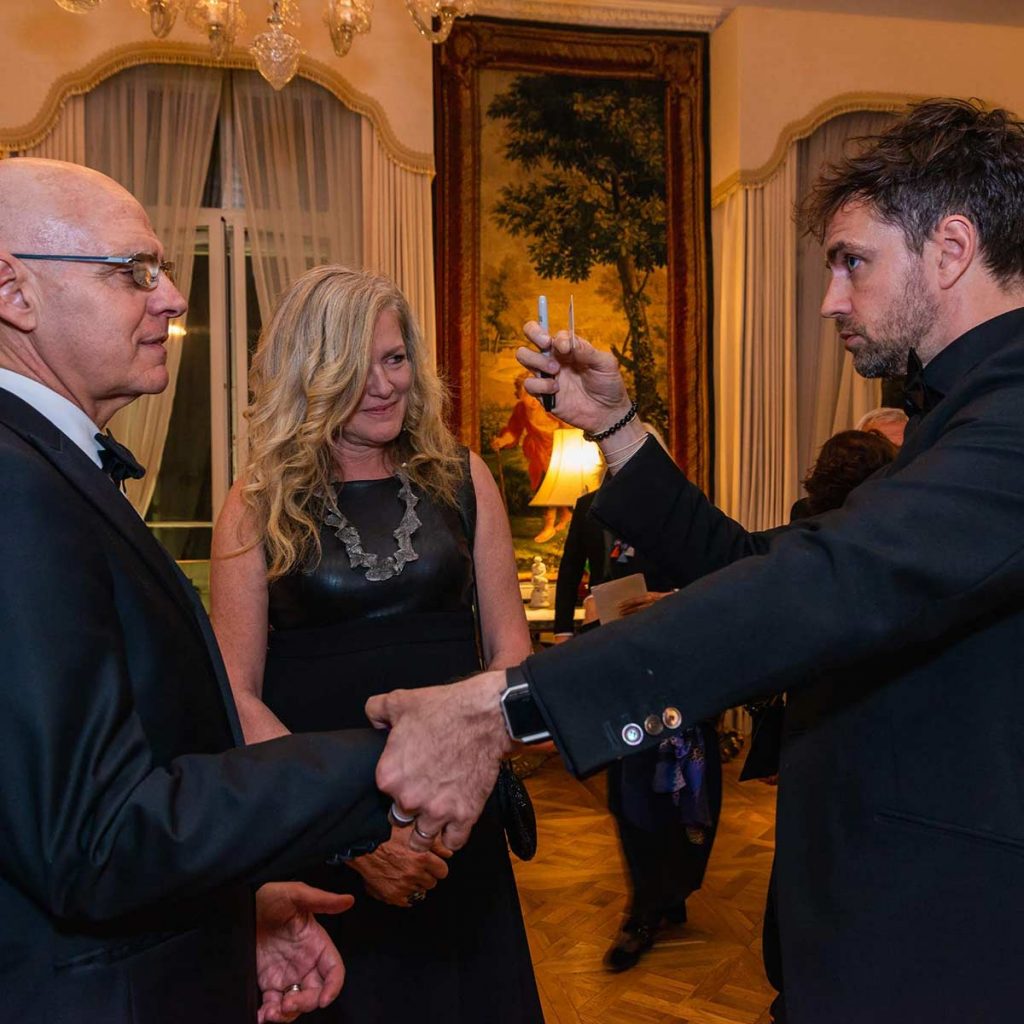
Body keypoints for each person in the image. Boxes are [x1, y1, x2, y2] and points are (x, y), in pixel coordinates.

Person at [365, 98, 1024, 1023]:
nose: (833, 298)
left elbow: (827, 585)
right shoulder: (957, 417)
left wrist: (510, 705)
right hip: (880, 940)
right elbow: (759, 563)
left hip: (949, 955)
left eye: (853, 262)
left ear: (951, 249)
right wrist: (619, 433)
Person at [0, 159, 395, 1024]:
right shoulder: (13, 482)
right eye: (134, 270)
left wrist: (236, 912)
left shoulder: (46, 466)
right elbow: (92, 842)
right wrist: (388, 761)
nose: (175, 297)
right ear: (14, 292)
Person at [210, 266, 543, 1023]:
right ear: (310, 374)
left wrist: (462, 783)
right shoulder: (256, 503)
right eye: (355, 367)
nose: (385, 384)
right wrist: (354, 830)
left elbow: (509, 652)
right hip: (326, 838)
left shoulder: (466, 478)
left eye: (395, 359)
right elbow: (235, 693)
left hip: (459, 823)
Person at [492, 370, 571, 541]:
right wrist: (502, 441)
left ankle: (550, 525)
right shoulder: (520, 410)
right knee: (545, 484)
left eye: (537, 394)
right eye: (527, 394)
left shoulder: (551, 406)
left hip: (559, 449)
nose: (533, 400)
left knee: (552, 485)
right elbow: (514, 431)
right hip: (537, 452)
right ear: (519, 394)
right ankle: (565, 515)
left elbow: (569, 424)